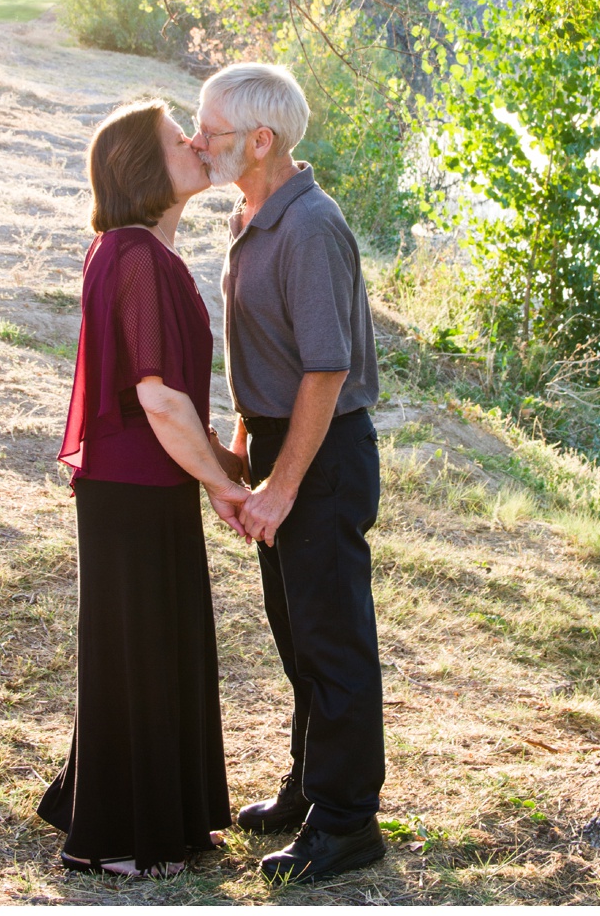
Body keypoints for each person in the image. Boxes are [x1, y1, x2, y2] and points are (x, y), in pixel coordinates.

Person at [38, 99, 255, 879]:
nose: (196, 143)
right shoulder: (133, 254)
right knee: (141, 648)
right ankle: (122, 836)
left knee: (155, 646)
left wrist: (220, 470)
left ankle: (161, 814)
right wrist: (223, 486)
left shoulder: (132, 250)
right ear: (142, 168)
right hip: (132, 489)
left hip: (142, 486)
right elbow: (159, 399)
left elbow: (174, 403)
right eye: (177, 138)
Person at [193, 62, 387, 884]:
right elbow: (270, 355)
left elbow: (325, 371)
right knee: (297, 636)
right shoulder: (253, 212)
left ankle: (347, 824)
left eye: (210, 128)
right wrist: (245, 449)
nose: (197, 140)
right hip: (280, 441)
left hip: (324, 452)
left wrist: (283, 483)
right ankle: (310, 789)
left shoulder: (310, 226)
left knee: (333, 641)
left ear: (260, 139)